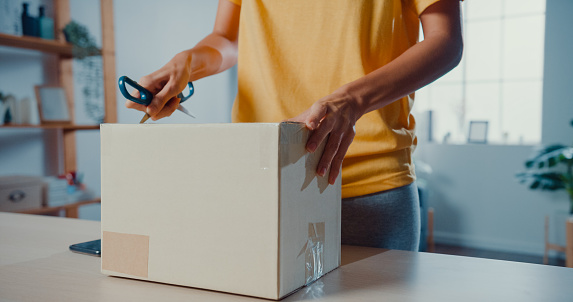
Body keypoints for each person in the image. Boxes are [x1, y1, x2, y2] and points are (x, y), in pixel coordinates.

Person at [126, 0, 463, 251]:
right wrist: (188, 63)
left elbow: (445, 40)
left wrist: (353, 99)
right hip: (263, 178)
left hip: (369, 184)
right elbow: (226, 38)